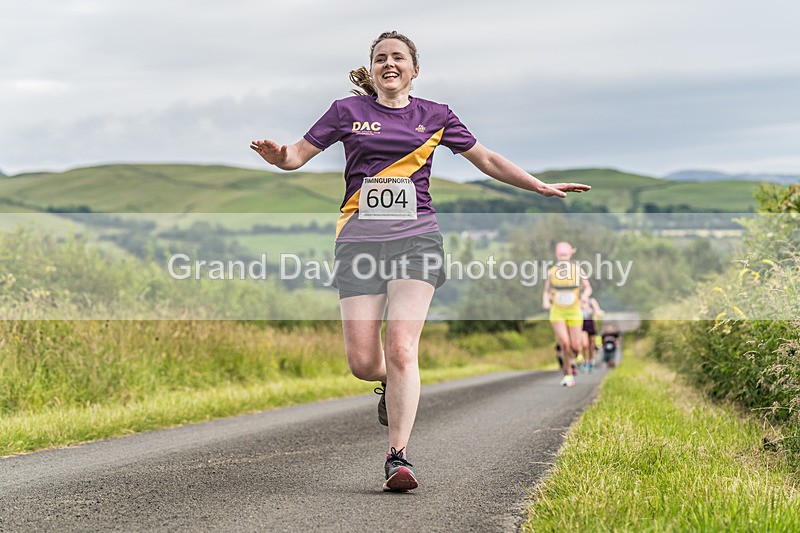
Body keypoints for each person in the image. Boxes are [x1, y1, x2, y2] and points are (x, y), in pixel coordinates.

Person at [250, 31, 590, 492]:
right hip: (359, 242)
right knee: (364, 363)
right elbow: (296, 155)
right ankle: (392, 382)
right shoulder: (345, 112)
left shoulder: (436, 115)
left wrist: (538, 185)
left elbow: (487, 159)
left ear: (414, 69)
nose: (389, 64)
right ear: (372, 69)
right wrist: (279, 158)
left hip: (417, 241)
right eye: (380, 58)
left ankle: (398, 457)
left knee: (402, 348)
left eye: (398, 57)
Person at [542, 242, 592, 387]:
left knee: (575, 346)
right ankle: (568, 375)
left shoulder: (578, 270)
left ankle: (576, 356)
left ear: (570, 255)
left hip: (574, 311)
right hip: (557, 311)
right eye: (560, 255)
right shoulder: (552, 272)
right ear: (557, 256)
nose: (563, 258)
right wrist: (546, 301)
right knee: (564, 343)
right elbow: (546, 291)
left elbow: (588, 288)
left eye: (565, 255)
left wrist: (584, 296)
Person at [580, 297, 603, 373]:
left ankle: (590, 362)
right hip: (581, 326)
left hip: (591, 326)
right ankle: (585, 361)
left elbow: (598, 312)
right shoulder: (577, 301)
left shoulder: (591, 301)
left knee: (591, 345)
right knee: (585, 345)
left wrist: (595, 312)